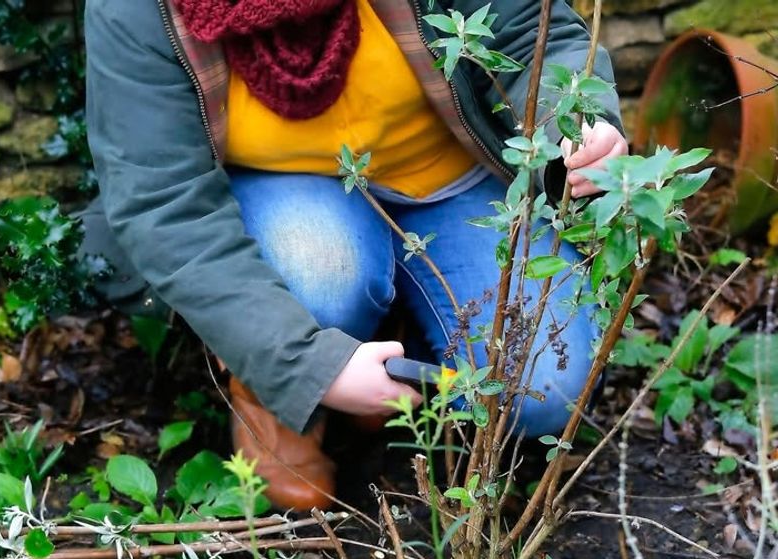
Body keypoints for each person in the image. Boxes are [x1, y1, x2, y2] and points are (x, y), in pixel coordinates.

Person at [83, 0, 627, 510]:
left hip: (452, 177)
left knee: (544, 386)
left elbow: (526, 26)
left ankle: (404, 343)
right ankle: (275, 396)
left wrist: (574, 116)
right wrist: (304, 367)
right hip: (286, 192)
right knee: (324, 277)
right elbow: (166, 203)